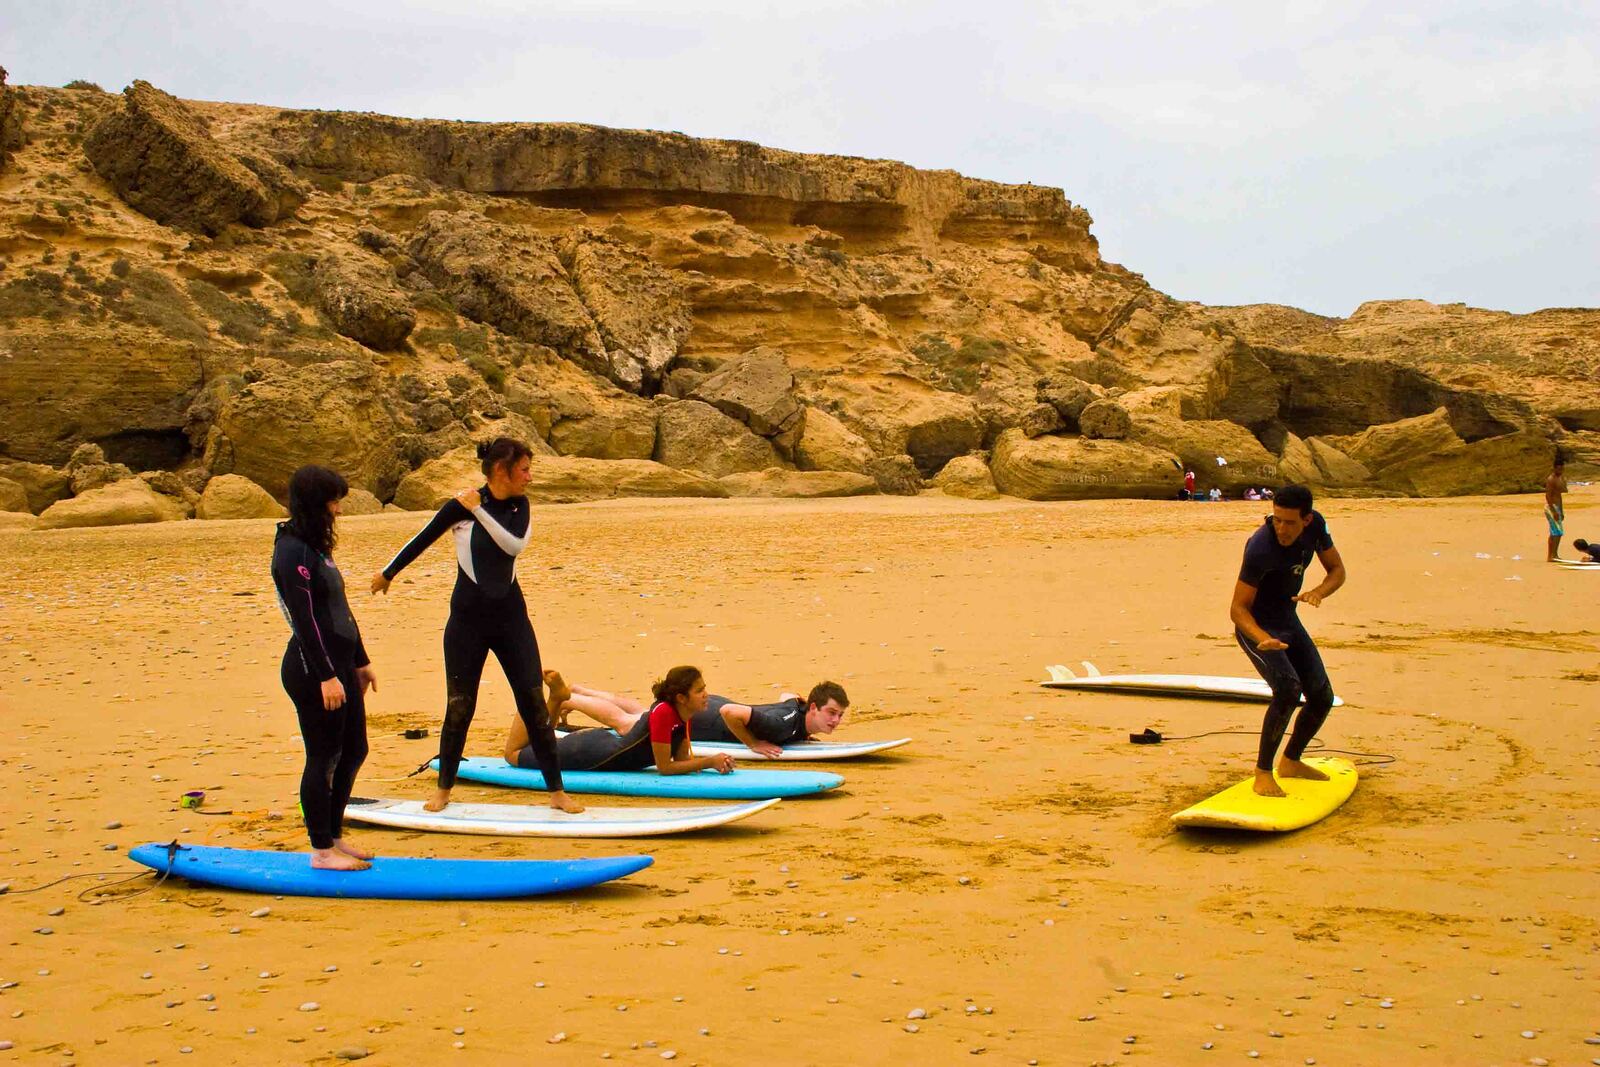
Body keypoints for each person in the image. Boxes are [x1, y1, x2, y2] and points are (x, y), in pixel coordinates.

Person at [371, 438, 582, 815]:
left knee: (533, 703)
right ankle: (444, 790)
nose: (529, 477)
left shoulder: (519, 505)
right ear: (502, 470)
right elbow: (423, 537)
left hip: (512, 620)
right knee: (459, 706)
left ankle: (557, 792)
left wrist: (478, 510)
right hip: (466, 623)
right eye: (524, 469)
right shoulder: (459, 507)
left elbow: (513, 545)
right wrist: (388, 573)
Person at [272, 465, 377, 871]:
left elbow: (339, 610)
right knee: (324, 756)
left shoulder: (315, 548)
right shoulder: (291, 551)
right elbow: (306, 620)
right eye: (333, 501)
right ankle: (321, 850)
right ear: (315, 504)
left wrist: (361, 660)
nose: (338, 510)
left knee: (354, 750)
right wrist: (326, 676)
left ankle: (334, 835)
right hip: (312, 671)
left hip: (340, 666)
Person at [1228, 483, 1347, 797]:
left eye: (1290, 522)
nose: (1281, 528)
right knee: (1288, 689)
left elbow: (1337, 570)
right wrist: (1261, 639)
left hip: (1287, 620)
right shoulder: (1261, 547)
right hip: (1257, 626)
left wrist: (1318, 592)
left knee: (1322, 697)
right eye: (1276, 519)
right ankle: (1262, 773)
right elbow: (1238, 609)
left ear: (1306, 519)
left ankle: (1291, 761)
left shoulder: (1316, 526)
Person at [530, 672, 850, 758]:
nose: (835, 721)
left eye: (839, 716)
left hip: (710, 707)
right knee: (629, 724)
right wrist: (753, 744)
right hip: (708, 717)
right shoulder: (780, 725)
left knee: (643, 710)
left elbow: (786, 697)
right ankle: (571, 701)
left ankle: (582, 690)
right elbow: (730, 713)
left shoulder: (795, 710)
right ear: (813, 707)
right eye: (831, 714)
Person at [504, 666, 735, 776]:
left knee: (542, 745)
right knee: (514, 754)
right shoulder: (664, 713)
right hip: (593, 754)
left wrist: (715, 763)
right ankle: (533, 694)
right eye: (700, 690)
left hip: (602, 742)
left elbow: (682, 760)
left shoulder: (683, 713)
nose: (706, 694)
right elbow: (665, 768)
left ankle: (555, 700)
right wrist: (708, 762)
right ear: (682, 698)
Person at [1546, 454, 1567, 562]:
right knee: (1555, 532)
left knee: (1558, 533)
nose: (1560, 470)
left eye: (1562, 468)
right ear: (1554, 468)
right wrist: (1554, 511)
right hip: (1551, 507)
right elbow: (1548, 496)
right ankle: (1550, 556)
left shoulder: (1560, 478)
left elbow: (1561, 493)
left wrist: (1561, 511)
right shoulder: (1551, 479)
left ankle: (1555, 554)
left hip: (1558, 507)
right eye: (1558, 469)